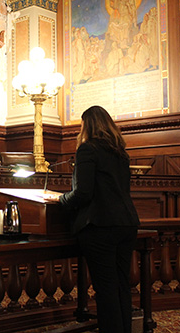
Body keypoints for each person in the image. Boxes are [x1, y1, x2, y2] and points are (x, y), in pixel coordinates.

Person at [44, 105, 139, 333]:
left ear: (88, 125)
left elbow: (83, 193)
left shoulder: (88, 149)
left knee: (106, 288)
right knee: (120, 285)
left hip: (100, 226)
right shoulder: (120, 153)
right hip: (126, 224)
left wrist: (61, 200)